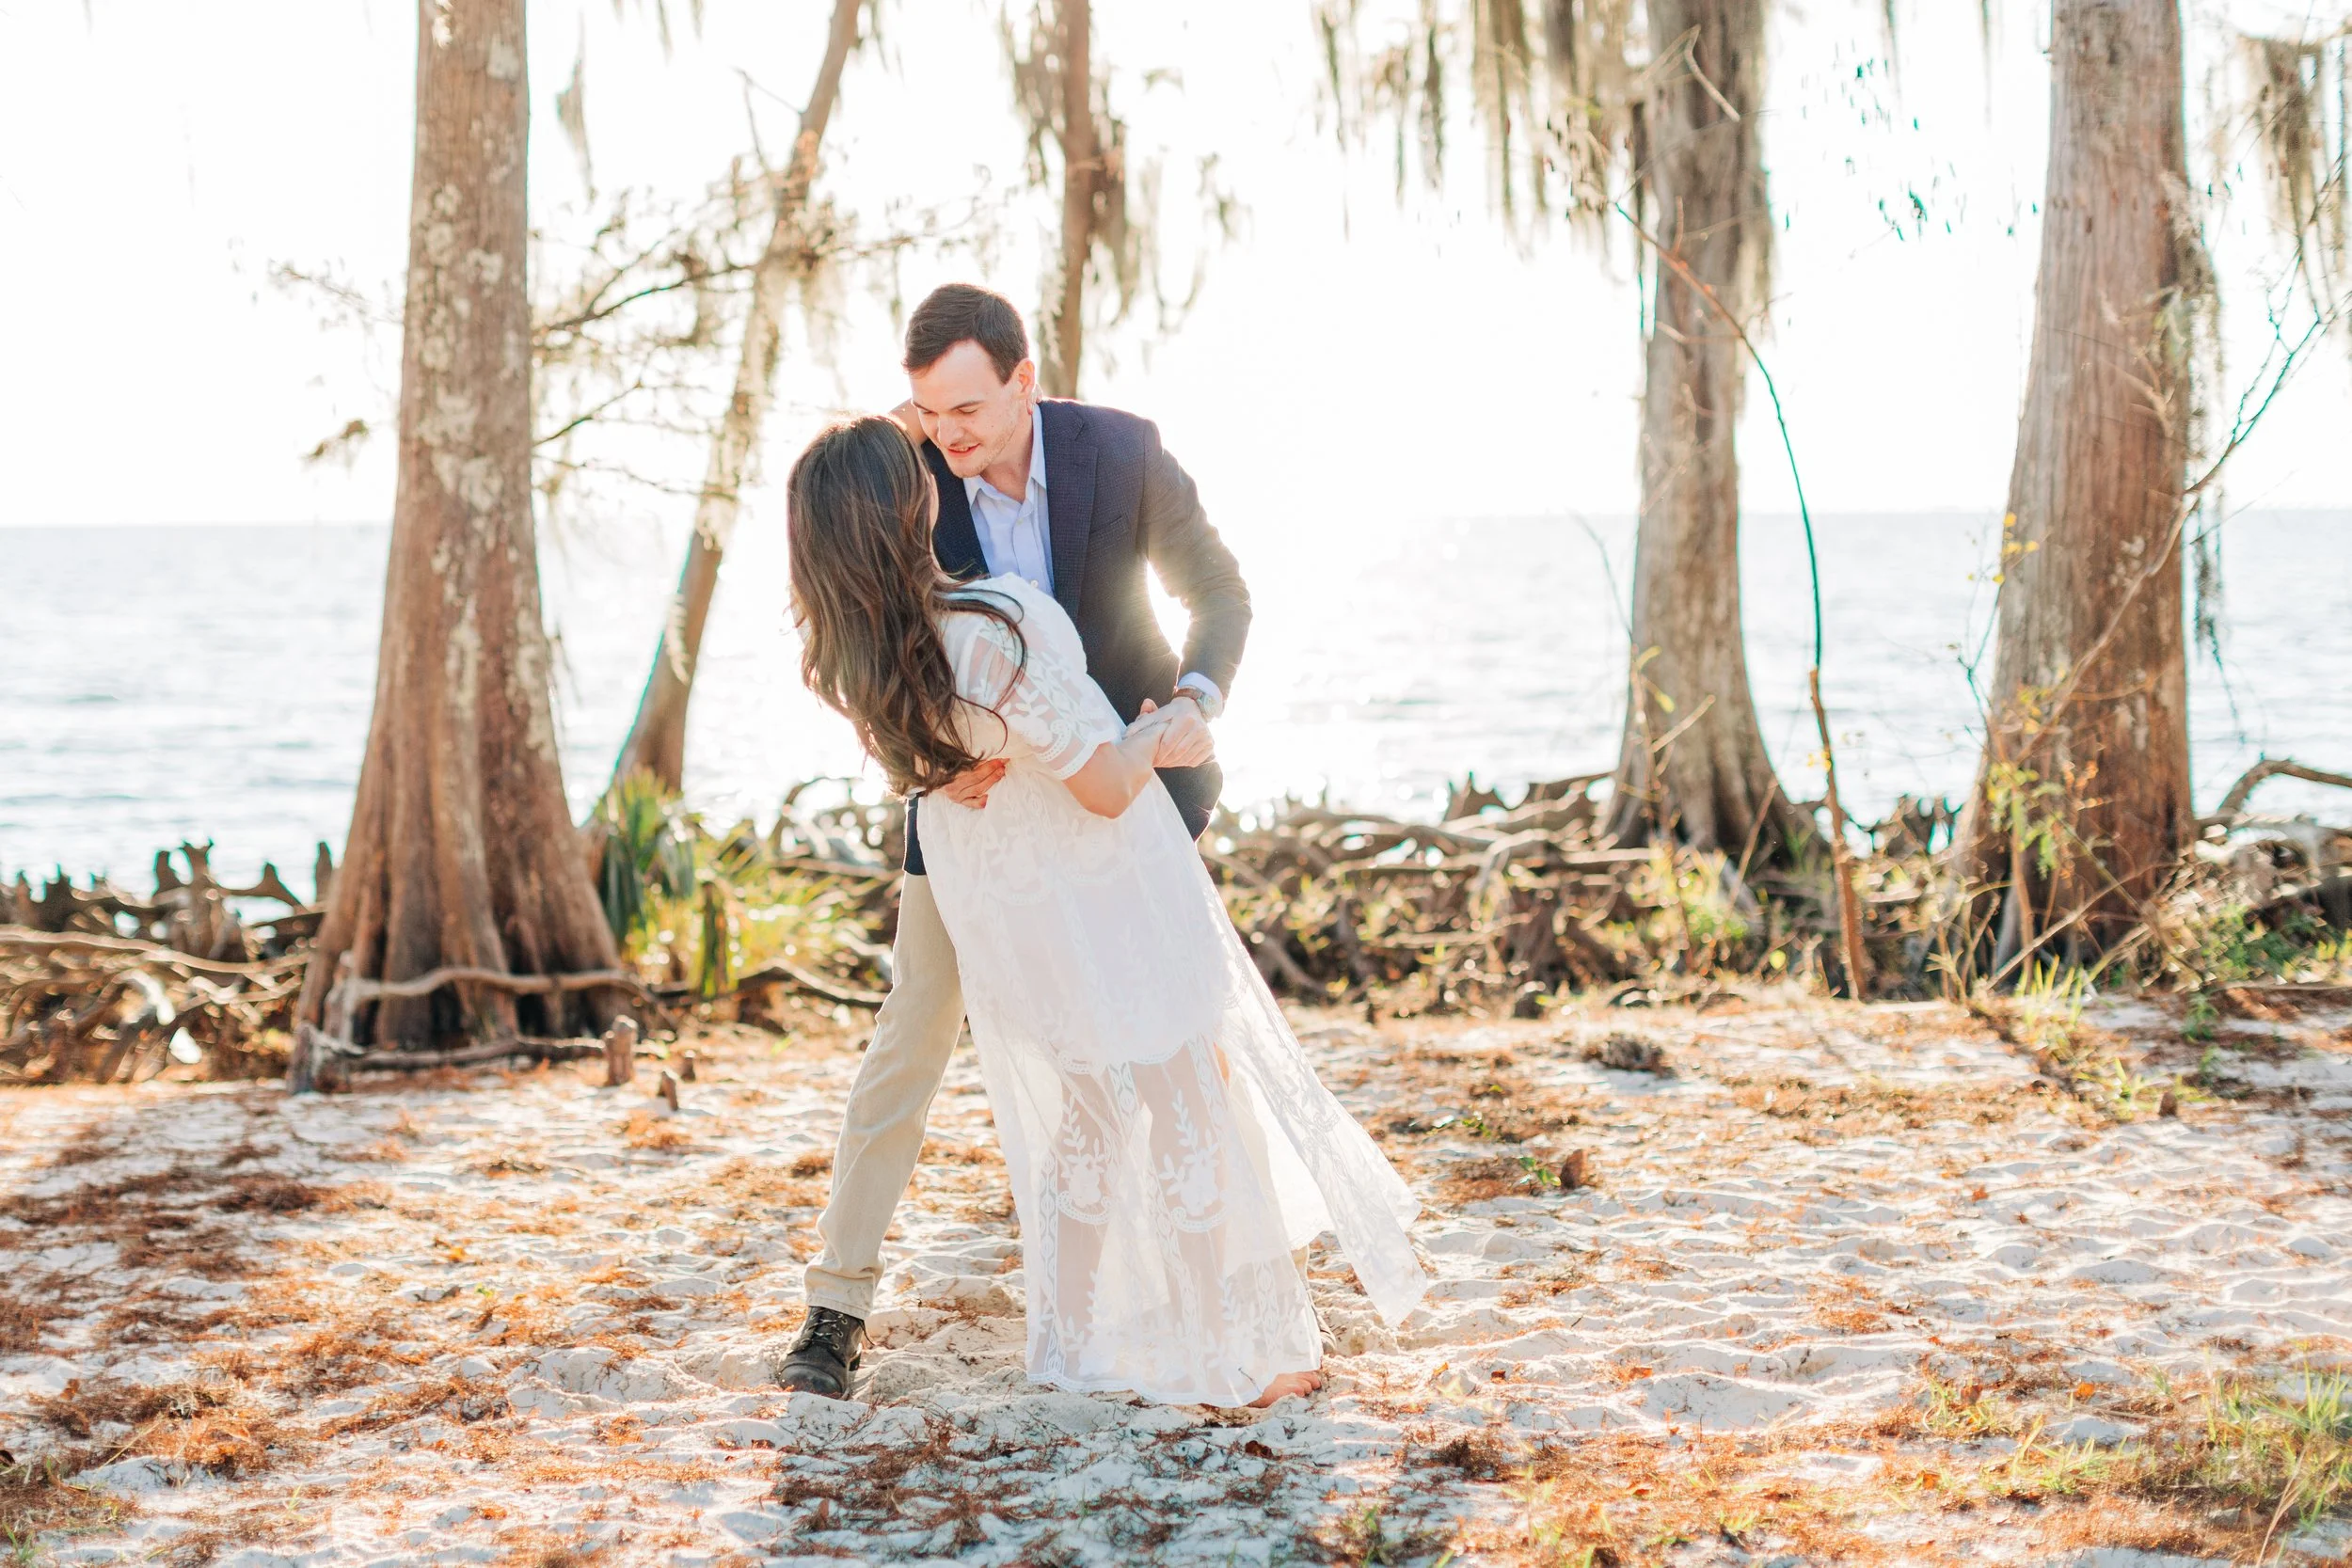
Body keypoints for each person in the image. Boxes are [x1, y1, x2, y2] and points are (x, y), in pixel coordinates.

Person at [773, 379, 1425, 1408]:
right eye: (925, 416)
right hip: (1021, 836)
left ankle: (1146, 1309)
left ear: (1021, 380)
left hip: (1057, 833)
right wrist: (928, 763)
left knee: (1131, 1071)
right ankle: (840, 1302)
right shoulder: (940, 548)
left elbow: (1217, 591)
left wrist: (1194, 701)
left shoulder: (1113, 455)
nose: (945, 435)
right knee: (963, 1045)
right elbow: (928, 677)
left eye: (964, 409)